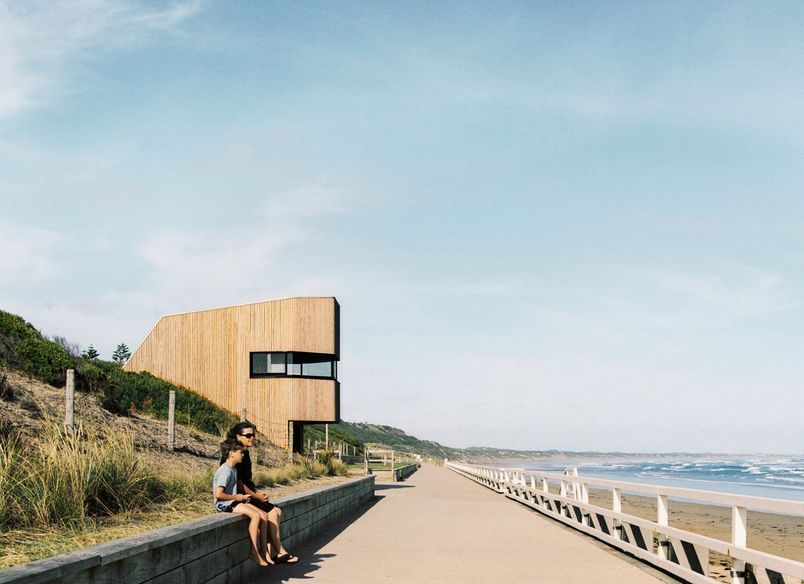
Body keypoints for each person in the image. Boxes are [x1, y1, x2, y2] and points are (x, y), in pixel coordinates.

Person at [221, 421, 298, 564]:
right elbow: (239, 483)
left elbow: (246, 480)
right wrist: (256, 495)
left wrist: (257, 492)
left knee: (277, 511)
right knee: (273, 512)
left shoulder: (244, 453)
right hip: (240, 495)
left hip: (249, 492)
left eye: (253, 435)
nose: (252, 438)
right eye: (248, 435)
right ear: (237, 436)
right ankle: (279, 551)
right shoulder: (234, 455)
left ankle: (272, 551)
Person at [213, 439, 272, 566]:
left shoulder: (233, 469)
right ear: (231, 453)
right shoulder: (225, 471)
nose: (243, 454)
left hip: (234, 501)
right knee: (255, 515)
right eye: (241, 452)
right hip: (224, 504)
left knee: (264, 515)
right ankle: (253, 551)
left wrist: (242, 498)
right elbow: (218, 495)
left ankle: (264, 551)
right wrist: (237, 497)